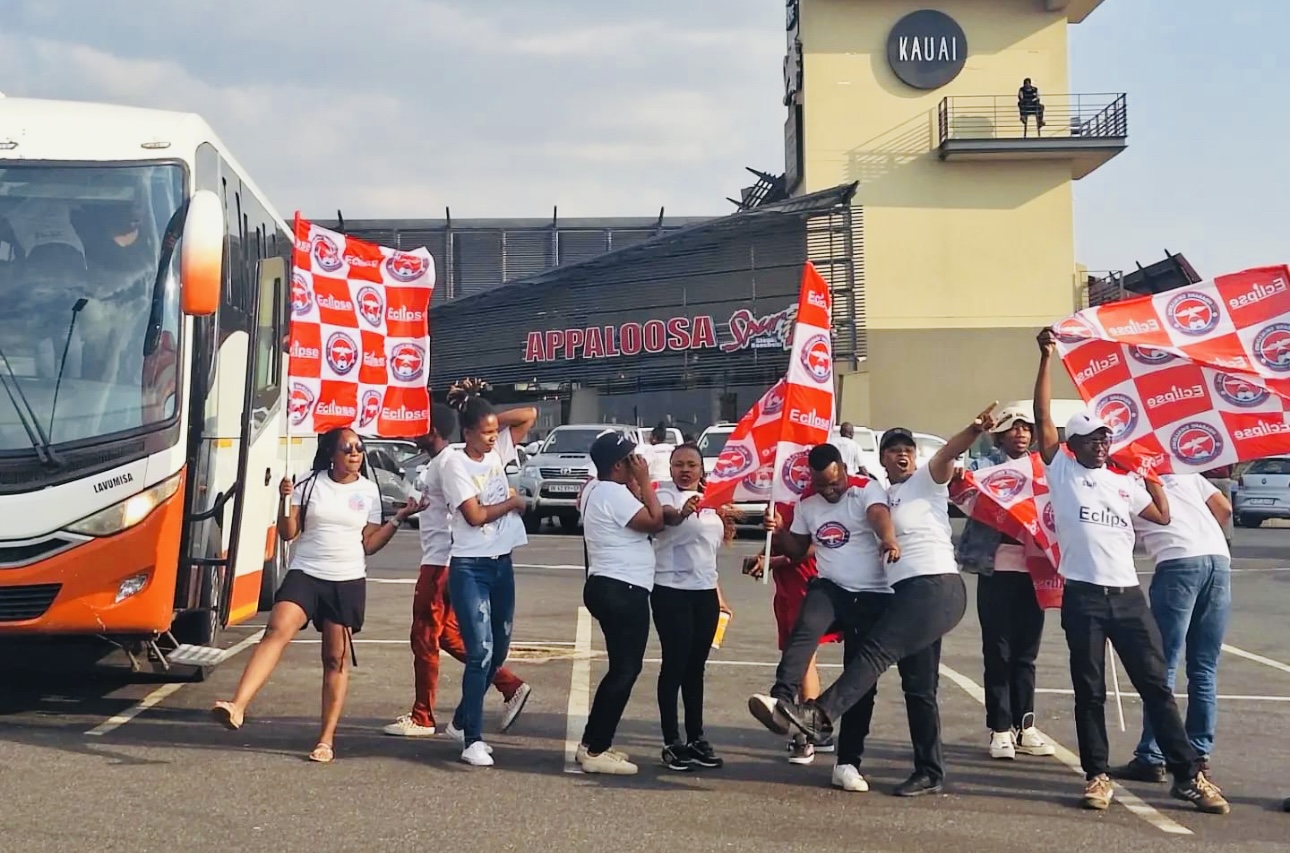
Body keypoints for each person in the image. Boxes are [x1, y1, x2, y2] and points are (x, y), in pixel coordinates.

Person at [1033, 327, 1228, 814]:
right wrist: (1045, 359)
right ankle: (1097, 775)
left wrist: (1153, 481)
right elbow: (1042, 419)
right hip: (1084, 597)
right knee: (1090, 690)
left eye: (1105, 437)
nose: (1101, 444)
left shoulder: (1123, 483)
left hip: (1128, 597)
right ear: (1072, 443)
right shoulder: (1063, 471)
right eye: (1092, 438)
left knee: (1157, 687)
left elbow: (1160, 517)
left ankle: (1188, 776)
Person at [748, 407, 990, 797]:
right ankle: (930, 770)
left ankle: (817, 715)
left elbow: (944, 457)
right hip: (903, 595)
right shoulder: (880, 489)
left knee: (875, 655)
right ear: (880, 458)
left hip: (935, 586)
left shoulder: (926, 483)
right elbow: (843, 526)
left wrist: (973, 431)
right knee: (919, 688)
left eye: (907, 448)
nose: (901, 454)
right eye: (893, 449)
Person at [211, 428, 421, 763]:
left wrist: (397, 520)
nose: (355, 453)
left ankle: (325, 739)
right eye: (347, 448)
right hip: (306, 573)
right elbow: (288, 532)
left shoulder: (368, 490)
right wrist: (283, 500)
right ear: (331, 454)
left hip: (347, 579)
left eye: (359, 448)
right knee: (277, 630)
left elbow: (368, 544)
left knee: (334, 660)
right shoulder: (308, 482)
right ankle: (237, 706)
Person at [749, 443, 906, 794]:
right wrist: (780, 529)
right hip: (831, 587)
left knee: (859, 679)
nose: (829, 491)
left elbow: (880, 514)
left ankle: (848, 763)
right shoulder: (807, 501)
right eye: (821, 485)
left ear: (844, 470)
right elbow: (798, 549)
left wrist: (888, 539)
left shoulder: (866, 489)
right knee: (803, 630)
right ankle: (781, 700)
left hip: (872, 595)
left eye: (834, 483)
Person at [384, 400, 535, 739]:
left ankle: (424, 716)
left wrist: (482, 417)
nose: (412, 432)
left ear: (433, 431)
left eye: (419, 425)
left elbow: (528, 416)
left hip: (444, 561)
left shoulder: (449, 461)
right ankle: (507, 684)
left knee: (426, 637)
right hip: (454, 559)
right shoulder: (448, 460)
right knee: (450, 636)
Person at [1111, 473, 1231, 783]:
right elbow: (1224, 508)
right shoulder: (1185, 473)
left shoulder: (1123, 481)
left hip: (1178, 561)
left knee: (1161, 664)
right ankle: (1199, 751)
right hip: (1218, 560)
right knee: (1204, 666)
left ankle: (1153, 754)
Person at [955, 405, 1056, 760]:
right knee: (997, 652)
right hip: (995, 570)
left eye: (1027, 428)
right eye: (1013, 428)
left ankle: (1024, 726)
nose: (1021, 434)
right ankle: (999, 729)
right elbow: (961, 490)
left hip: (1035, 572)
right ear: (999, 434)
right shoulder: (984, 469)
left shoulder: (1044, 470)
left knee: (1026, 654)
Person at [440, 379, 531, 766]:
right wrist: (512, 503)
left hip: (501, 562)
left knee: (500, 648)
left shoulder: (496, 451)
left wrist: (480, 405)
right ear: (467, 434)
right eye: (486, 433)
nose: (494, 439)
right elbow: (474, 515)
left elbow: (528, 416)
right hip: (470, 566)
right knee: (480, 652)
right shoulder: (453, 462)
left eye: (496, 432)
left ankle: (462, 719)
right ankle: (471, 740)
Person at [575, 430, 666, 775]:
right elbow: (654, 522)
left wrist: (637, 484)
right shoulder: (613, 493)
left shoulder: (596, 489)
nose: (639, 463)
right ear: (618, 465)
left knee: (620, 668)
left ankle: (592, 743)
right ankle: (596, 749)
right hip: (622, 588)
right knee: (626, 670)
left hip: (607, 584)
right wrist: (645, 482)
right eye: (633, 459)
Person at [742, 498, 843, 766]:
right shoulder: (778, 500)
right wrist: (761, 558)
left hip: (805, 582)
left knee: (803, 657)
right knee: (797, 655)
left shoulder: (807, 501)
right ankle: (815, 731)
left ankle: (806, 733)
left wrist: (773, 560)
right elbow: (774, 543)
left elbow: (811, 546)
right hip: (786, 587)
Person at [652, 443, 734, 771]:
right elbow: (667, 519)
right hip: (670, 590)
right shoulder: (663, 496)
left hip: (704, 592)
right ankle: (672, 739)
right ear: (670, 468)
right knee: (675, 663)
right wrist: (683, 512)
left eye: (691, 465)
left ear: (702, 469)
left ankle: (696, 736)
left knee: (696, 667)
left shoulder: (712, 499)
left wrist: (719, 596)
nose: (685, 470)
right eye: (679, 464)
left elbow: (707, 552)